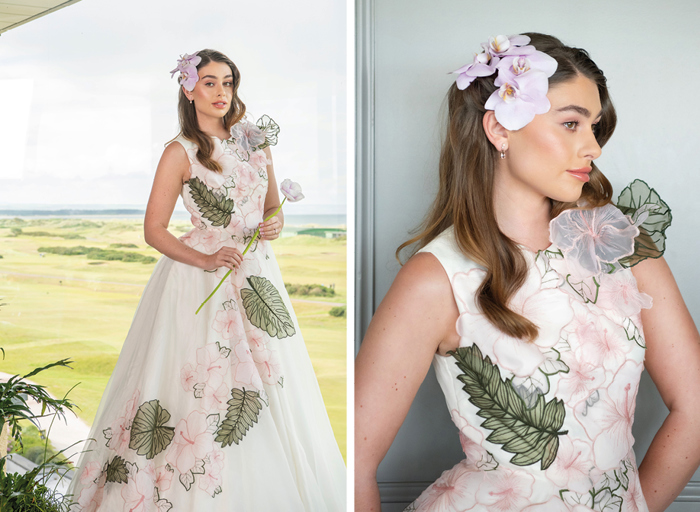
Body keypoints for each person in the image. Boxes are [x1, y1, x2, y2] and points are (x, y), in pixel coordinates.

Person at [355, 33, 700, 512]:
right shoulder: (436, 277)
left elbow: (697, 404)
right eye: (571, 124)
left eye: (595, 127)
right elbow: (354, 459)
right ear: (500, 129)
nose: (593, 148)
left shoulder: (623, 248)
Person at [68, 49, 345, 512]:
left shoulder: (255, 142)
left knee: (267, 387)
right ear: (188, 87)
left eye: (229, 82)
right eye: (211, 82)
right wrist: (207, 258)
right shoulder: (180, 151)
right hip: (201, 277)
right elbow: (153, 229)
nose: (221, 92)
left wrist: (274, 224)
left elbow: (271, 208)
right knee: (197, 385)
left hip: (256, 274)